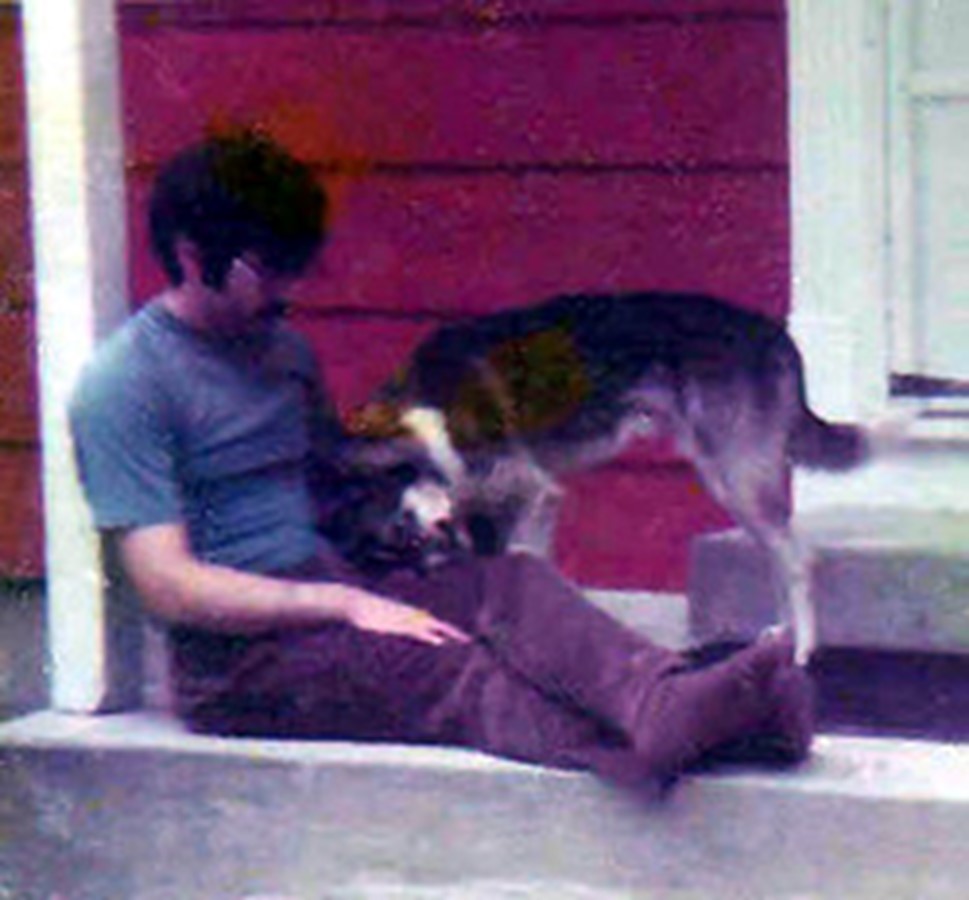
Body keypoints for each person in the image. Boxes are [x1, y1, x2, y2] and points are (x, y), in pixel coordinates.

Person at [69, 130, 814, 787]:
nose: (290, 291)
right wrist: (345, 604)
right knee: (459, 670)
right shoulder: (125, 385)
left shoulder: (282, 353)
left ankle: (671, 701)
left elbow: (332, 488)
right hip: (241, 662)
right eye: (269, 271)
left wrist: (424, 509)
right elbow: (165, 585)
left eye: (298, 268)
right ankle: (726, 721)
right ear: (194, 256)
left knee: (513, 585)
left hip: (338, 586)